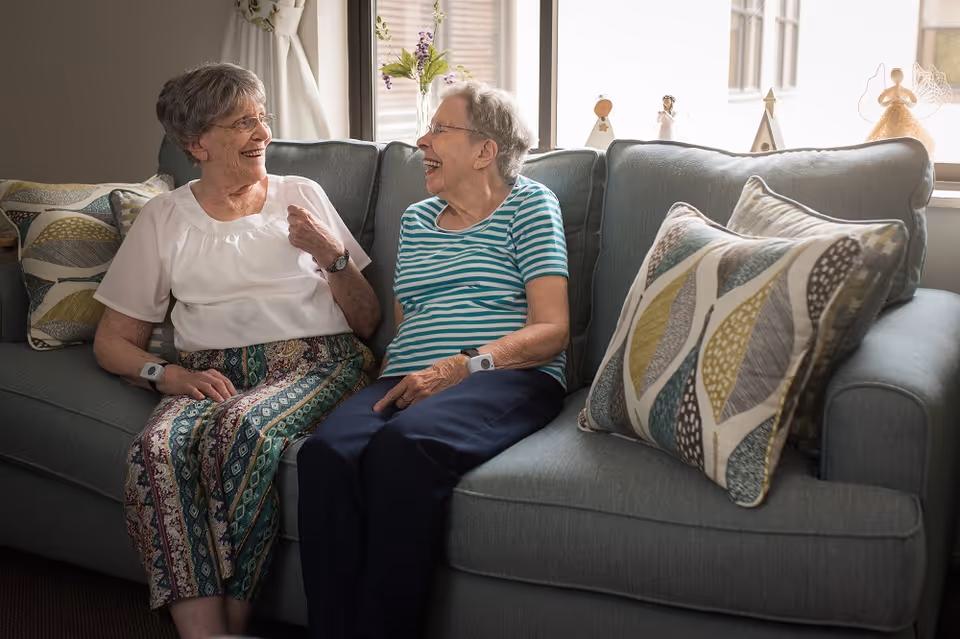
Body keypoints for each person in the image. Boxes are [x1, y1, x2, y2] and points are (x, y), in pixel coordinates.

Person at [92, 62, 380, 639]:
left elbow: (368, 320)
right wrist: (163, 374)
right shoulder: (166, 217)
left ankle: (236, 620)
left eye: (262, 119)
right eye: (243, 123)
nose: (263, 134)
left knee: (242, 428)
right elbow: (112, 341)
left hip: (316, 359)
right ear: (197, 143)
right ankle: (205, 634)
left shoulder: (302, 195)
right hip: (208, 372)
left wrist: (332, 255)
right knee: (157, 449)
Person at [297, 82, 570, 639]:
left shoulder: (531, 204)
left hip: (506, 376)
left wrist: (461, 365)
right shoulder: (417, 219)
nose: (421, 141)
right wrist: (412, 373)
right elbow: (408, 322)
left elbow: (553, 329)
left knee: (405, 447)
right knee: (326, 454)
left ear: (484, 150)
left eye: (439, 130)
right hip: (407, 375)